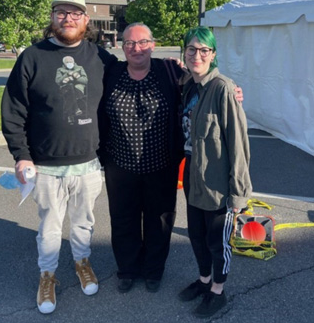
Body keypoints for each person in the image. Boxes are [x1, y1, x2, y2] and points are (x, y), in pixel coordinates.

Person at [98, 23, 243, 294]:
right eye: (129, 43)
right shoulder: (112, 72)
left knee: (160, 219)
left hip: (161, 164)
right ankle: (128, 269)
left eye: (142, 42)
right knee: (123, 219)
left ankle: (153, 271)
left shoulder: (170, 71)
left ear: (153, 45)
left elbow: (208, 81)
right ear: (121, 46)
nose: (136, 48)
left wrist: (233, 91)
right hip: (120, 164)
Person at [1, 0, 117, 314]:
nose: (68, 18)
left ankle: (82, 262)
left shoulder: (100, 58)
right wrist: (21, 154)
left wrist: (183, 78)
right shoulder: (32, 57)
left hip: (89, 165)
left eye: (75, 13)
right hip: (46, 166)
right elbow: (13, 109)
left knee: (84, 224)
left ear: (86, 19)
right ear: (53, 17)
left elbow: (135, 77)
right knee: (50, 227)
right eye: (61, 12)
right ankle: (48, 275)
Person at [178, 26, 252, 318]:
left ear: (213, 55)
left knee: (217, 241)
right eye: (191, 49)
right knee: (196, 236)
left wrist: (238, 194)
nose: (197, 55)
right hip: (194, 180)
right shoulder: (189, 86)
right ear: (184, 53)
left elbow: (238, 144)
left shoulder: (223, 88)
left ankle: (218, 291)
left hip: (218, 185)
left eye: (203, 50)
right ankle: (204, 280)